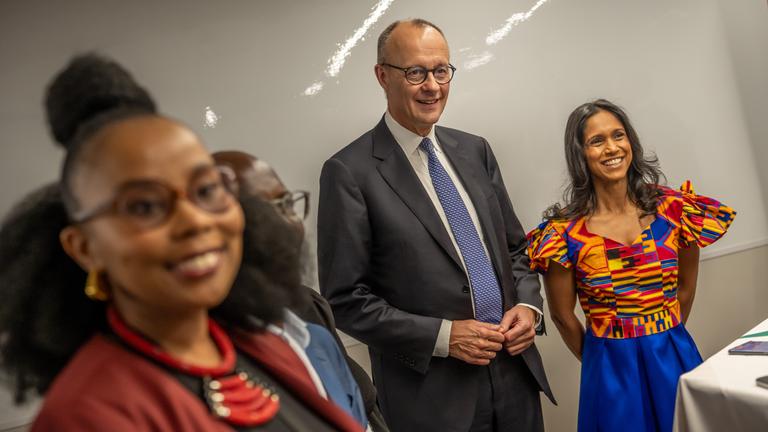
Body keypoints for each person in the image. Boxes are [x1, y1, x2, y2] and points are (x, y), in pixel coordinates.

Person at [0, 53, 364, 432]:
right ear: (84, 247)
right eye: (144, 205)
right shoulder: (89, 416)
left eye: (205, 189)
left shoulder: (261, 345)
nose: (195, 219)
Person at [318, 19, 553, 432]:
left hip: (515, 379)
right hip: (432, 401)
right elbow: (344, 299)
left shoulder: (475, 150)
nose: (433, 86)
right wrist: (444, 337)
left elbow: (516, 250)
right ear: (382, 75)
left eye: (441, 70)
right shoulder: (348, 173)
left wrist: (528, 307)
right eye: (416, 72)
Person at [527, 99, 736, 432]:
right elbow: (562, 316)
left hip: (673, 354)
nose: (612, 148)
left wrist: (659, 336)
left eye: (618, 135)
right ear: (580, 153)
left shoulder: (674, 210)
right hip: (609, 368)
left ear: (631, 142)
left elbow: (685, 289)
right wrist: (606, 355)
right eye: (597, 141)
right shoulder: (563, 231)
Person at [213, 150, 389, 432]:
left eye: (287, 203)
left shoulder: (309, 308)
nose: (291, 224)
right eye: (263, 213)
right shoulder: (213, 349)